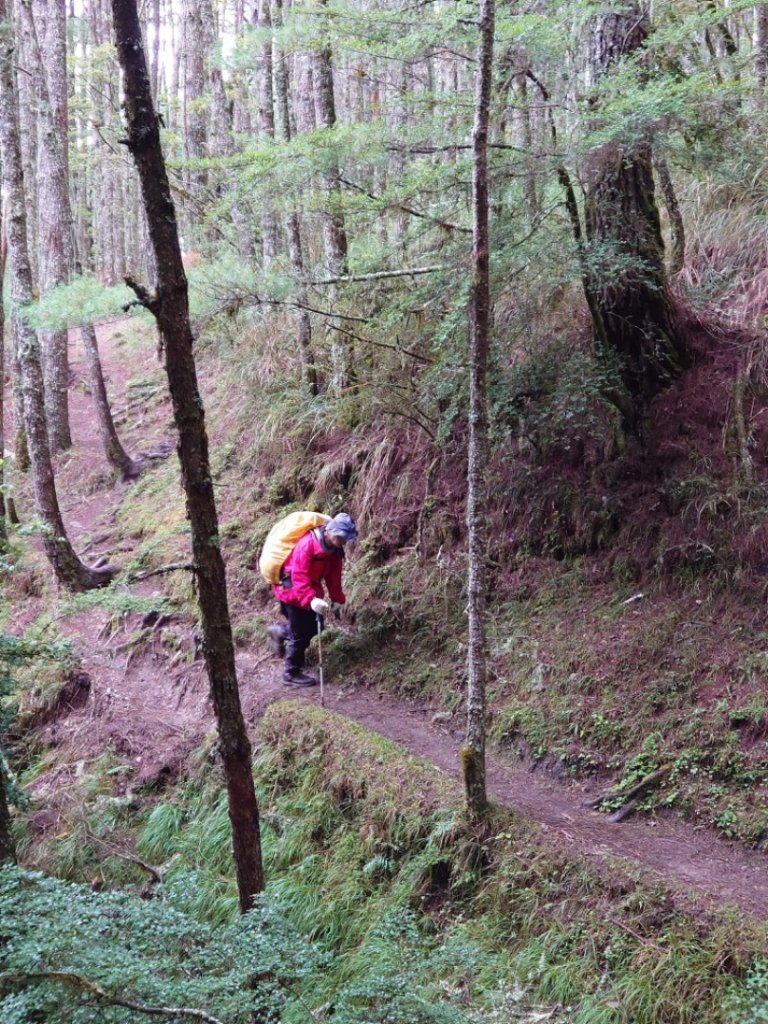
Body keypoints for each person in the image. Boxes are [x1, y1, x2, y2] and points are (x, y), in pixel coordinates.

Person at [267, 512, 358, 686]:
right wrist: (311, 600)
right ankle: (290, 673)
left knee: (316, 627)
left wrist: (337, 599)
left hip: (309, 591)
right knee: (301, 634)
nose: (342, 541)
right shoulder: (307, 544)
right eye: (340, 537)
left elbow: (333, 576)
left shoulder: (335, 551)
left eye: (345, 539)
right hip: (291, 592)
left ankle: (280, 632)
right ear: (330, 531)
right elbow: (298, 576)